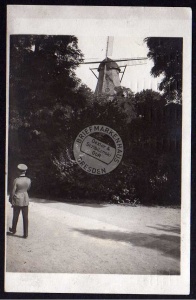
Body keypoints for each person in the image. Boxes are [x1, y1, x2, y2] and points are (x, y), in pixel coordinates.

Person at [9, 164, 31, 238]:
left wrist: (11, 199)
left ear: (18, 171)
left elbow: (13, 191)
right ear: (25, 171)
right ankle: (26, 234)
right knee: (25, 217)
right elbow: (28, 189)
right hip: (25, 199)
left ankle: (13, 229)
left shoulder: (16, 180)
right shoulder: (28, 180)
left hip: (17, 199)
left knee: (15, 216)